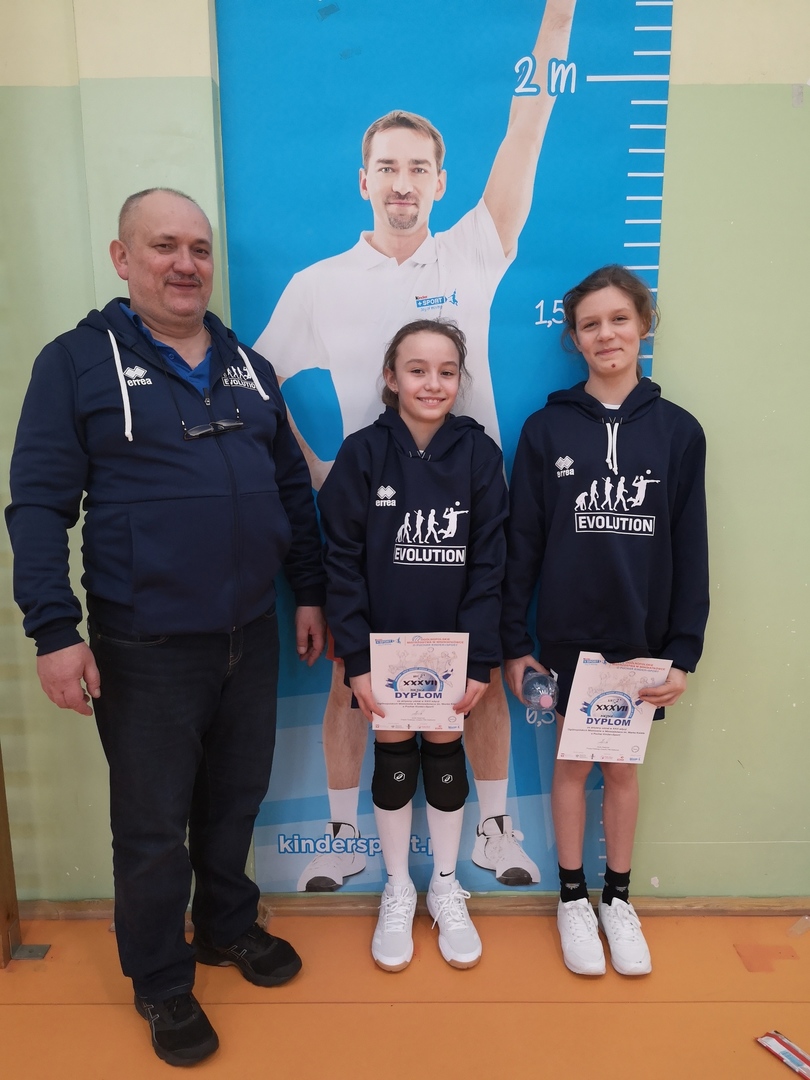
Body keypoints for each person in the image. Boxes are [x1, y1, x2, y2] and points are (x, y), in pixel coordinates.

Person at [255, 0, 578, 892]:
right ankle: (341, 839)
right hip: (372, 519)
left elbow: (527, 130)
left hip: (473, 510)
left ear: (441, 180)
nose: (403, 182)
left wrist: (556, 22)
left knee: (481, 670)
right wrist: (316, 468)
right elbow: (257, 384)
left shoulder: (476, 248)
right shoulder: (317, 284)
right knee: (352, 677)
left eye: (419, 168)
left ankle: (495, 833)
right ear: (363, 179)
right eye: (388, 167)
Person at [5, 188, 326, 1066]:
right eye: (163, 246)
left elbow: (289, 490)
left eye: (198, 248)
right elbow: (38, 505)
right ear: (123, 258)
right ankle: (160, 979)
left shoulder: (249, 366)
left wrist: (307, 591)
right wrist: (53, 631)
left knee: (235, 799)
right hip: (143, 645)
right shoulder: (75, 362)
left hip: (250, 632)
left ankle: (225, 926)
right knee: (151, 827)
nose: (185, 264)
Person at [501, 265, 709, 977]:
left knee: (621, 771)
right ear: (574, 338)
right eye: (590, 324)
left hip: (641, 641)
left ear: (644, 323)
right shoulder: (546, 429)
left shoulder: (679, 432)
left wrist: (683, 650)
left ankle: (618, 900)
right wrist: (516, 644)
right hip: (567, 637)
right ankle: (571, 899)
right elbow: (522, 545)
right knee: (572, 765)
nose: (606, 334)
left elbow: (690, 546)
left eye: (619, 319)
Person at [318, 320, 508, 971]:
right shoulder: (363, 453)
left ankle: (446, 886)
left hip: (452, 651)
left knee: (446, 755)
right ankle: (398, 886)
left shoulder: (478, 455)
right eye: (418, 369)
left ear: (460, 380)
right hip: (383, 652)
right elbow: (341, 562)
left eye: (446, 371)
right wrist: (358, 659)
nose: (433, 383)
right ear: (391, 378)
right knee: (394, 757)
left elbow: (490, 563)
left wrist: (478, 657)